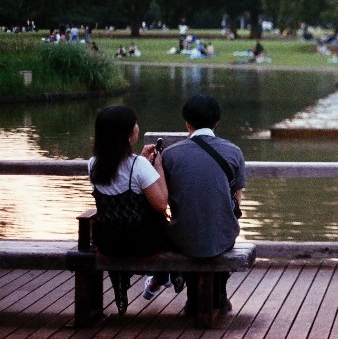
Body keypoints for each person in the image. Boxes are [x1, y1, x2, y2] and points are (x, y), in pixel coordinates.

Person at [163, 95, 246, 318]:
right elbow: (237, 198)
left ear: (187, 123)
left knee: (191, 230)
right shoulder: (233, 151)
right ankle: (218, 294)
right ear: (216, 122)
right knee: (220, 230)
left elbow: (165, 197)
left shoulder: (170, 154)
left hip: (183, 234)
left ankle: (194, 298)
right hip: (223, 233)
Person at [88, 105, 171, 315]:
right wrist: (157, 166)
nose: (137, 126)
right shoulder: (139, 165)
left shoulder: (93, 164)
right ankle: (169, 274)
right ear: (126, 134)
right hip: (142, 244)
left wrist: (141, 158)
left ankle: (122, 278)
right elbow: (161, 203)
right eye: (134, 124)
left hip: (107, 243)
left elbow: (119, 172)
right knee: (165, 222)